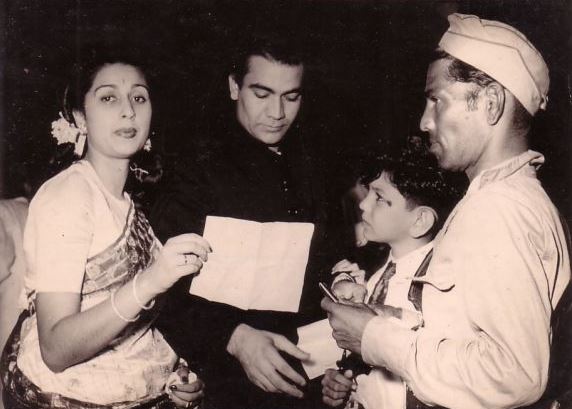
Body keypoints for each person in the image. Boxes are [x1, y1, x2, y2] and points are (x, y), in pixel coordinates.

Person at [322, 13, 571, 409]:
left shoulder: (499, 208)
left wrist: (375, 338)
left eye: (437, 100)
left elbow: (514, 376)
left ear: (491, 103)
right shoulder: (513, 198)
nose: (425, 121)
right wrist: (379, 319)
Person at [0, 52, 210, 409]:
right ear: (80, 117)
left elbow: (137, 328)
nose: (128, 111)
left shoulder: (131, 199)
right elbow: (56, 349)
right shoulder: (69, 196)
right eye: (109, 98)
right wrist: (152, 280)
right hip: (68, 396)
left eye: (139, 98)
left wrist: (177, 374)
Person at [151, 37, 340, 409]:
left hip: (307, 383)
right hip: (221, 383)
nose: (277, 112)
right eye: (262, 94)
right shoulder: (195, 168)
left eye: (291, 97)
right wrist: (234, 337)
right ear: (234, 87)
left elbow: (324, 270)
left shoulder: (315, 168)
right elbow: (159, 291)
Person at [321, 143, 461, 409]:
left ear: (419, 221)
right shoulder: (377, 277)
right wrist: (344, 382)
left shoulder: (439, 283)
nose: (363, 204)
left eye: (379, 198)